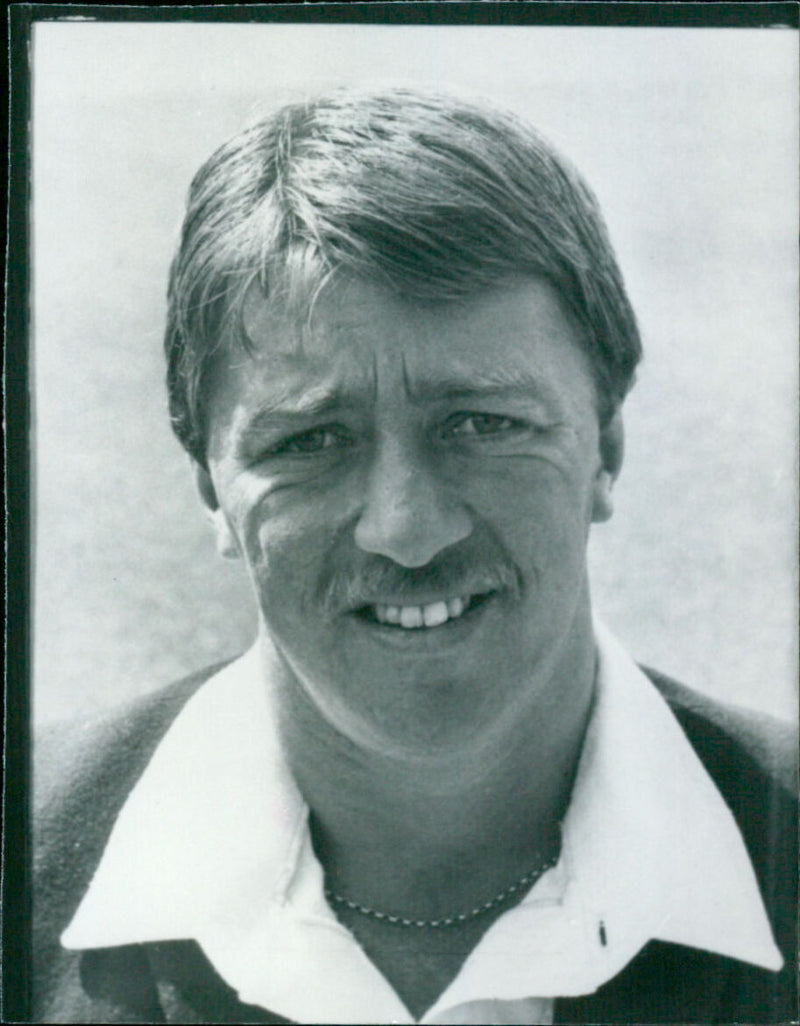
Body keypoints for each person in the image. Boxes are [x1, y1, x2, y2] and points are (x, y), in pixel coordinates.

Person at [33, 88, 797, 1025]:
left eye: (482, 424)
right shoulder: (18, 861)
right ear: (209, 487)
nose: (406, 527)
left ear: (606, 448)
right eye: (309, 443)